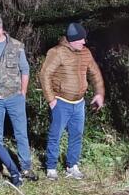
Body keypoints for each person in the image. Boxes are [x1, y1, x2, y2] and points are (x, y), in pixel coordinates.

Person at [39, 22, 105, 180]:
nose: (84, 42)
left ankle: (72, 165)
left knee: (76, 134)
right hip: (61, 102)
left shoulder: (85, 52)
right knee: (56, 135)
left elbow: (95, 73)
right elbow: (44, 75)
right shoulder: (57, 52)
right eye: (81, 39)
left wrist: (99, 93)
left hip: (79, 103)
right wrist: (51, 99)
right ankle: (51, 167)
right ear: (71, 40)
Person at [0, 14, 37, 180]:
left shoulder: (17, 46)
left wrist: (23, 92)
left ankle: (25, 168)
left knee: (21, 134)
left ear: (0, 30)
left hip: (14, 97)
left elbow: (25, 70)